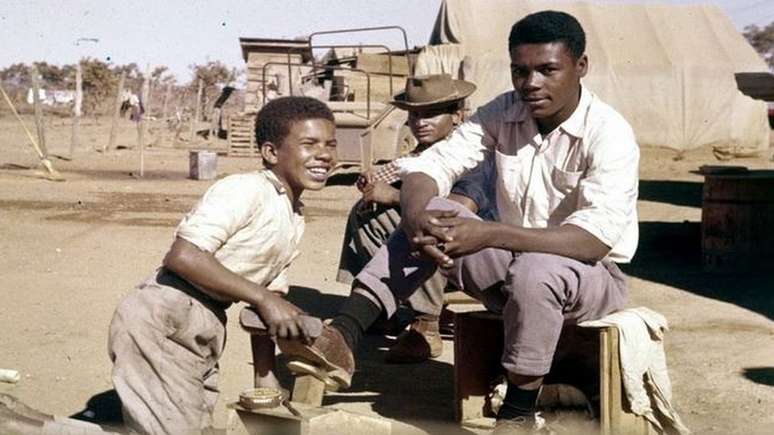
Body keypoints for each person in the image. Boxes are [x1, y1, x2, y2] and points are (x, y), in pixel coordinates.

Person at [279, 10, 639, 435]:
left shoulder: (609, 133)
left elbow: (592, 242)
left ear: (580, 67)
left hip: (588, 281)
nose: (531, 83)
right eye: (520, 71)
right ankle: (345, 332)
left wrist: (488, 233)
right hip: (509, 276)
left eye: (547, 70)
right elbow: (431, 167)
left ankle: (518, 414)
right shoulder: (502, 112)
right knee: (439, 212)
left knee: (537, 267)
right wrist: (415, 216)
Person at [0, 96, 338, 435]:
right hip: (165, 316)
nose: (324, 154)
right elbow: (183, 256)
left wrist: (265, 378)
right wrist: (266, 300)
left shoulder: (293, 218)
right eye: (309, 144)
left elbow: (263, 309)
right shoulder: (245, 189)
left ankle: (17, 418)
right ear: (271, 152)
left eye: (330, 144)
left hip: (201, 327)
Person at [336, 74, 498, 363]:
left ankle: (426, 324)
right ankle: (380, 306)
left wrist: (392, 196)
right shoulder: (420, 155)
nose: (421, 122)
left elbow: (454, 211)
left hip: (470, 255)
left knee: (420, 222)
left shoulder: (470, 155)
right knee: (366, 212)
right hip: (429, 261)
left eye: (432, 114)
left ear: (457, 117)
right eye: (415, 115)